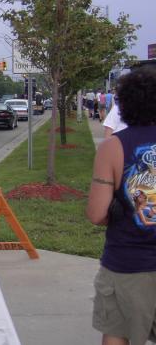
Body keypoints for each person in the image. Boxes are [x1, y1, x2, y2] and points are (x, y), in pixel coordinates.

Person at [86, 66, 156, 345]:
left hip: (127, 264)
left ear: (123, 104)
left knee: (117, 335)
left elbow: (96, 213)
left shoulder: (113, 147)